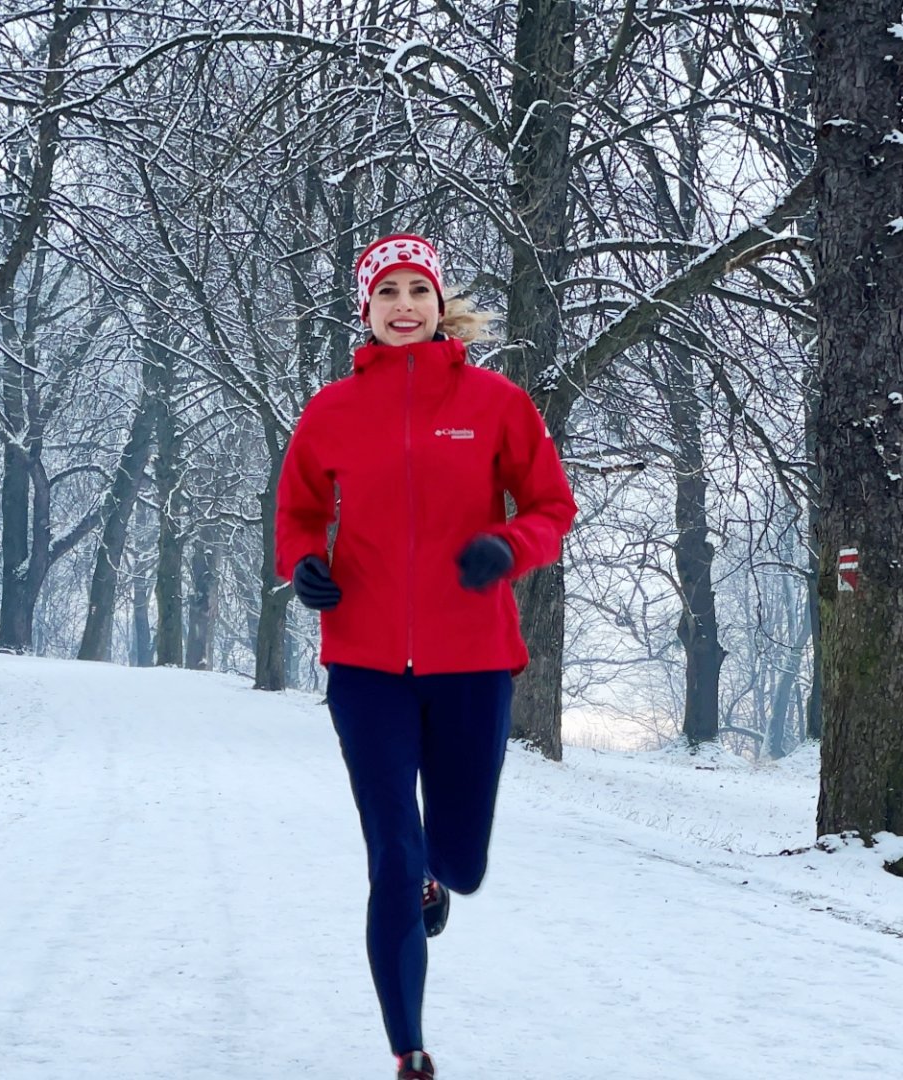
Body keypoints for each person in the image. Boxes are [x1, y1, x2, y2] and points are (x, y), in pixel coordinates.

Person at [274, 233, 578, 1080]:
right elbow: (298, 512)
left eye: (418, 290)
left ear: (439, 305)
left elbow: (553, 505)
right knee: (392, 855)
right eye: (388, 293)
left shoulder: (496, 402)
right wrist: (303, 566)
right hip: (365, 665)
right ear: (365, 310)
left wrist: (508, 547)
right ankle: (408, 1047)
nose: (404, 305)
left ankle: (443, 880)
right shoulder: (331, 410)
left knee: (459, 857)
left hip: (473, 660)